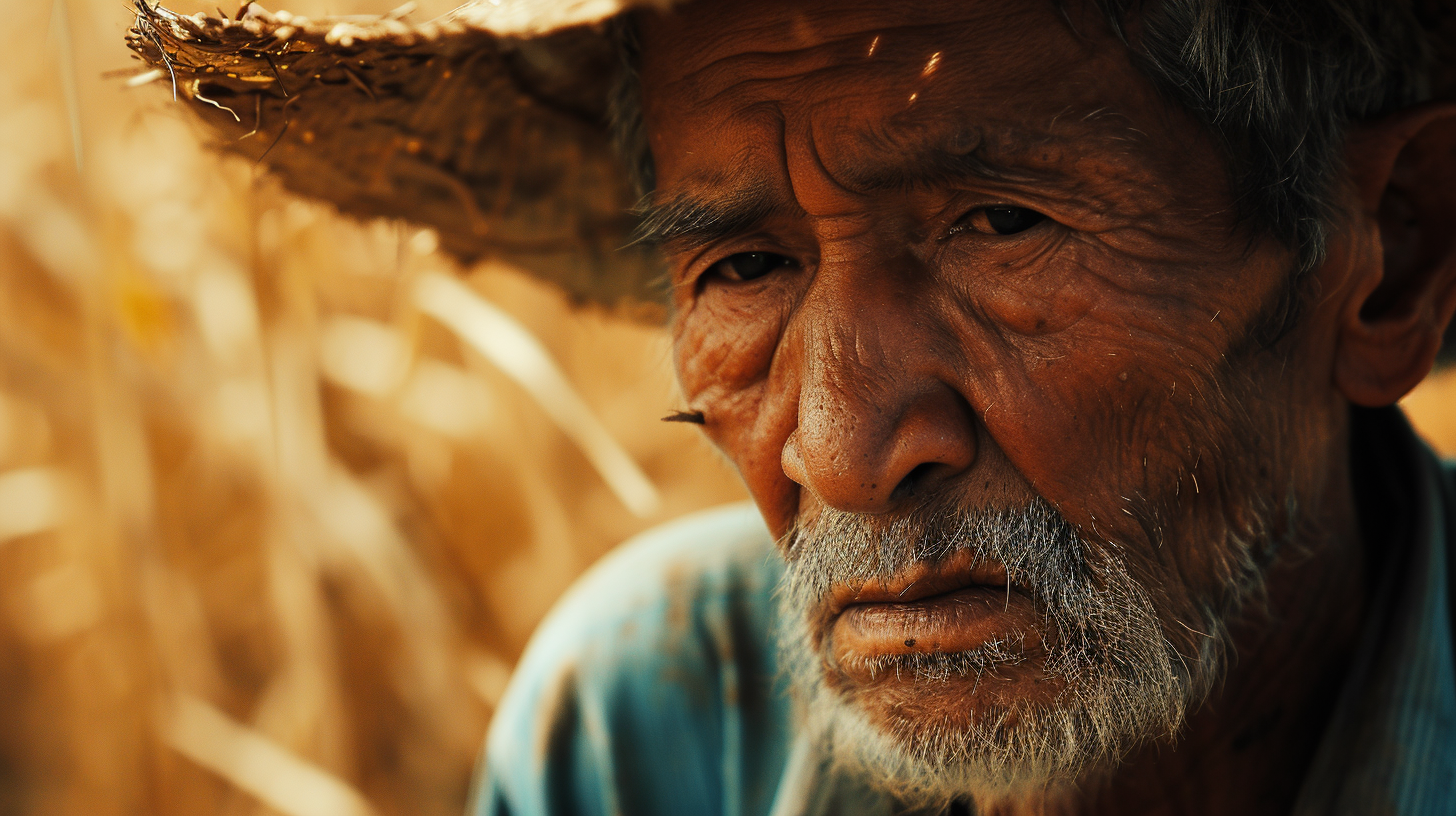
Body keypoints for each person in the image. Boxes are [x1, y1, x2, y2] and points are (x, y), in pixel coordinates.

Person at [129, 0, 1456, 812]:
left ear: (1384, 256)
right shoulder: (647, 725)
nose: (839, 448)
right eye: (745, 267)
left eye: (1001, 226)